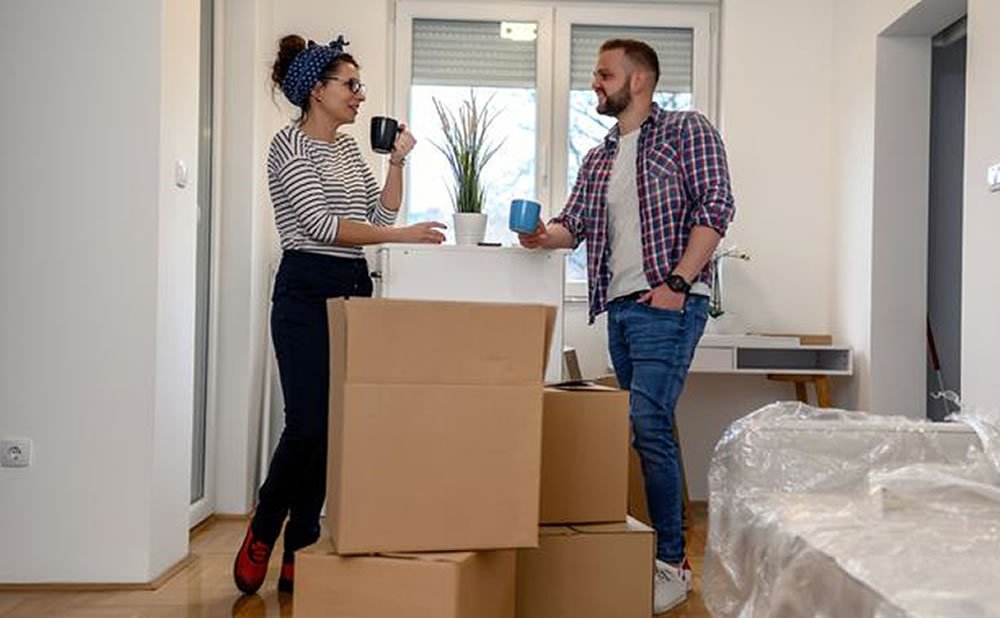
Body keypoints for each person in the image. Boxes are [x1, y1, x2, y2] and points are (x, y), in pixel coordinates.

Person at [518, 39, 735, 612]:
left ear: (638, 80)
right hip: (620, 309)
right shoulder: (600, 156)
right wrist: (543, 236)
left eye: (603, 74)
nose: (595, 84)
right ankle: (662, 553)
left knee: (648, 421)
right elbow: (573, 225)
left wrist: (680, 284)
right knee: (649, 428)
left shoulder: (687, 131)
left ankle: (672, 562)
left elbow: (716, 206)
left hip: (668, 302)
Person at [233, 33, 446, 595]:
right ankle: (265, 523)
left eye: (359, 85)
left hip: (353, 286)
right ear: (316, 91)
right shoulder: (288, 146)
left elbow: (377, 211)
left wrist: (396, 163)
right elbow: (325, 227)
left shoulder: (351, 150)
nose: (359, 95)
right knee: (307, 422)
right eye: (350, 85)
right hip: (305, 288)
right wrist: (399, 235)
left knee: (334, 425)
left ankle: (301, 542)